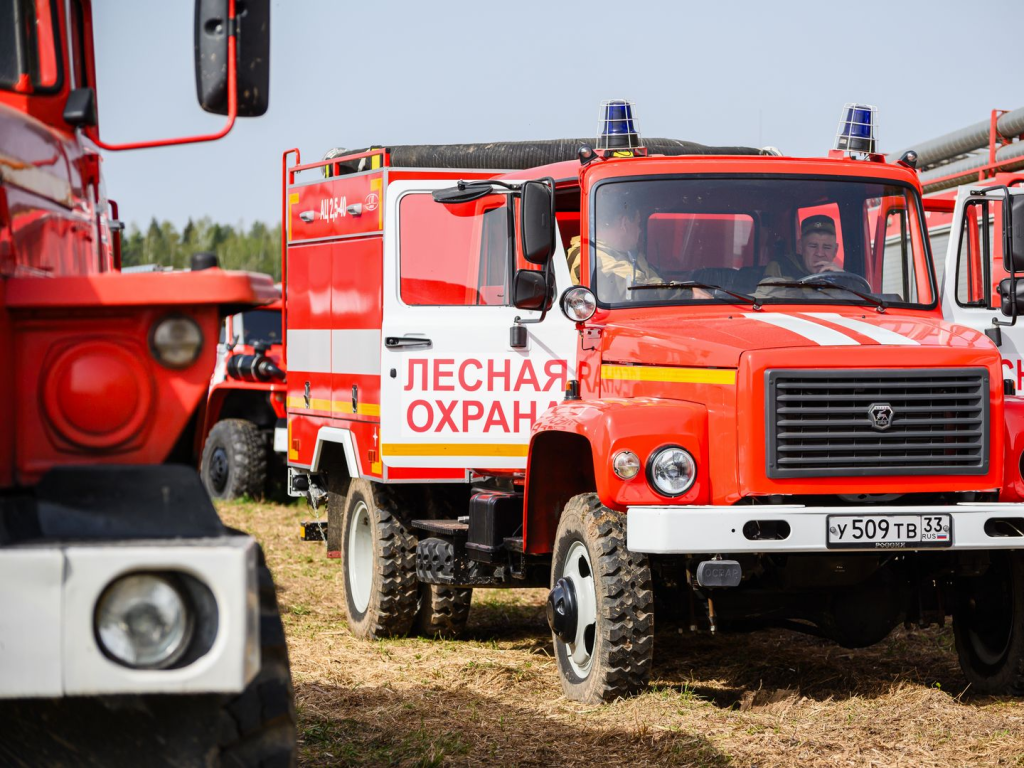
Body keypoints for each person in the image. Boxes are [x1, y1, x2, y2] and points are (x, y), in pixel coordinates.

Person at [566, 206, 710, 302]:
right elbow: (633, 291)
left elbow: (654, 284)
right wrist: (687, 294)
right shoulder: (588, 258)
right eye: (638, 223)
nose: (640, 230)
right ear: (624, 223)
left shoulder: (629, 255)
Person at [755, 214, 845, 298]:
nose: (820, 253)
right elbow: (767, 297)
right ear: (800, 247)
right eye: (813, 246)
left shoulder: (841, 275)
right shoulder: (780, 266)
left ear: (835, 250)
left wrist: (844, 280)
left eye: (827, 247)